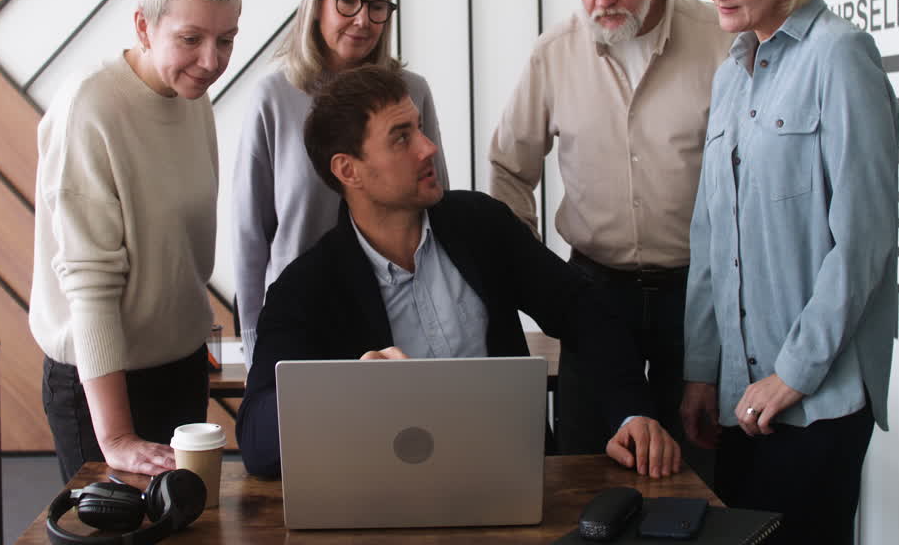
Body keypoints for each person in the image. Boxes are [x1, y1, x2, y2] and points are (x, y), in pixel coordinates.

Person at [234, 65, 679, 479]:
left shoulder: (482, 224)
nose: (428, 148)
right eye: (401, 138)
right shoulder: (304, 289)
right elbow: (255, 441)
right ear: (348, 170)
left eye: (421, 130)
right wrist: (346, 391)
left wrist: (631, 412)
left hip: (513, 476)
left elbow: (582, 308)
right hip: (383, 494)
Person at [680, 0, 899, 544]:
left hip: (817, 400)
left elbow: (862, 243)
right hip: (741, 395)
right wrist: (700, 370)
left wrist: (792, 377)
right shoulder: (729, 72)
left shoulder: (840, 57)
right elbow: (713, 236)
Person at [488, 0, 734, 465]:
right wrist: (531, 275)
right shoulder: (554, 53)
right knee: (586, 466)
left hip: (697, 295)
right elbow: (507, 168)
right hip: (593, 291)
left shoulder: (719, 40)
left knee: (695, 467)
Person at [29, 0, 240, 482]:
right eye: (190, 39)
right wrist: (117, 437)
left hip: (181, 366)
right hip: (103, 385)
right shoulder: (91, 107)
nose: (211, 61)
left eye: (226, 39)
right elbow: (91, 284)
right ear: (144, 27)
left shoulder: (194, 98)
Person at [231, 0, 448, 369]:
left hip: (397, 311)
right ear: (317, 3)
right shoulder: (273, 97)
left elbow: (436, 206)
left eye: (377, 6)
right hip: (302, 316)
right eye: (347, 1)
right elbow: (249, 231)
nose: (362, 20)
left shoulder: (412, 92)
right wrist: (254, 334)